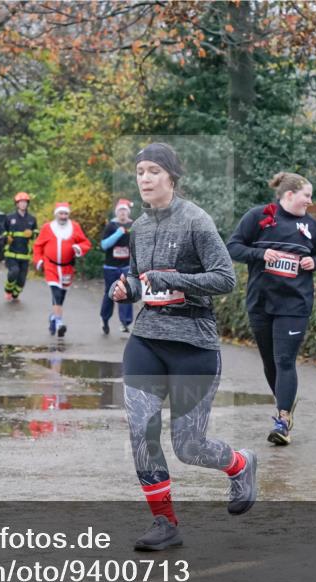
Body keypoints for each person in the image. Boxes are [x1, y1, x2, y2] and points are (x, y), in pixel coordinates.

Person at [110, 142, 256, 551]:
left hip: (193, 344)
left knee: (189, 447)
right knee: (141, 429)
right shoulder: (138, 227)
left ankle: (240, 464)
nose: (145, 179)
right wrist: (129, 288)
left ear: (171, 177)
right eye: (140, 172)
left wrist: (175, 279)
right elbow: (143, 281)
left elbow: (225, 279)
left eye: (153, 171)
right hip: (147, 340)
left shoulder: (196, 221)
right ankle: (164, 522)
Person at [227, 172, 316, 446]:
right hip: (260, 302)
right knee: (270, 362)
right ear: (289, 195)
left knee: (285, 360)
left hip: (294, 304)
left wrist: (313, 263)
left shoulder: (311, 226)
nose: (310, 200)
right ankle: (286, 402)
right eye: (307, 195)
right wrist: (261, 254)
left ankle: (282, 420)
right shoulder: (258, 217)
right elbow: (233, 247)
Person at [33, 202, 91, 337]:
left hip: (67, 267)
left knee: (61, 296)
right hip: (51, 266)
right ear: (56, 214)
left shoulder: (75, 227)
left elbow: (86, 243)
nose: (63, 216)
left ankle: (53, 317)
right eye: (61, 213)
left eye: (65, 214)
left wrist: (78, 248)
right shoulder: (48, 227)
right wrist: (39, 260)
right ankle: (59, 322)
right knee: (56, 292)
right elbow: (38, 246)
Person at [99, 198, 135, 334]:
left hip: (127, 267)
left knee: (126, 293)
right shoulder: (111, 226)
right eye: (120, 211)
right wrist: (118, 233)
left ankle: (125, 323)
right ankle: (105, 319)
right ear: (117, 212)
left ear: (128, 212)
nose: (123, 213)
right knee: (110, 293)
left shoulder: (133, 225)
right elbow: (104, 245)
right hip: (110, 267)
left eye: (125, 211)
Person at [3, 192, 37, 302]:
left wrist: (32, 234)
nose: (23, 204)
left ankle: (15, 294)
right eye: (21, 202)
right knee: (14, 271)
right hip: (11, 253)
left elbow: (37, 233)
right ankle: (8, 290)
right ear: (17, 204)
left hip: (24, 254)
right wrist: (6, 237)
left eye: (25, 202)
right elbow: (2, 232)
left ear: (27, 204)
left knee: (22, 280)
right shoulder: (9, 218)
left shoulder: (32, 219)